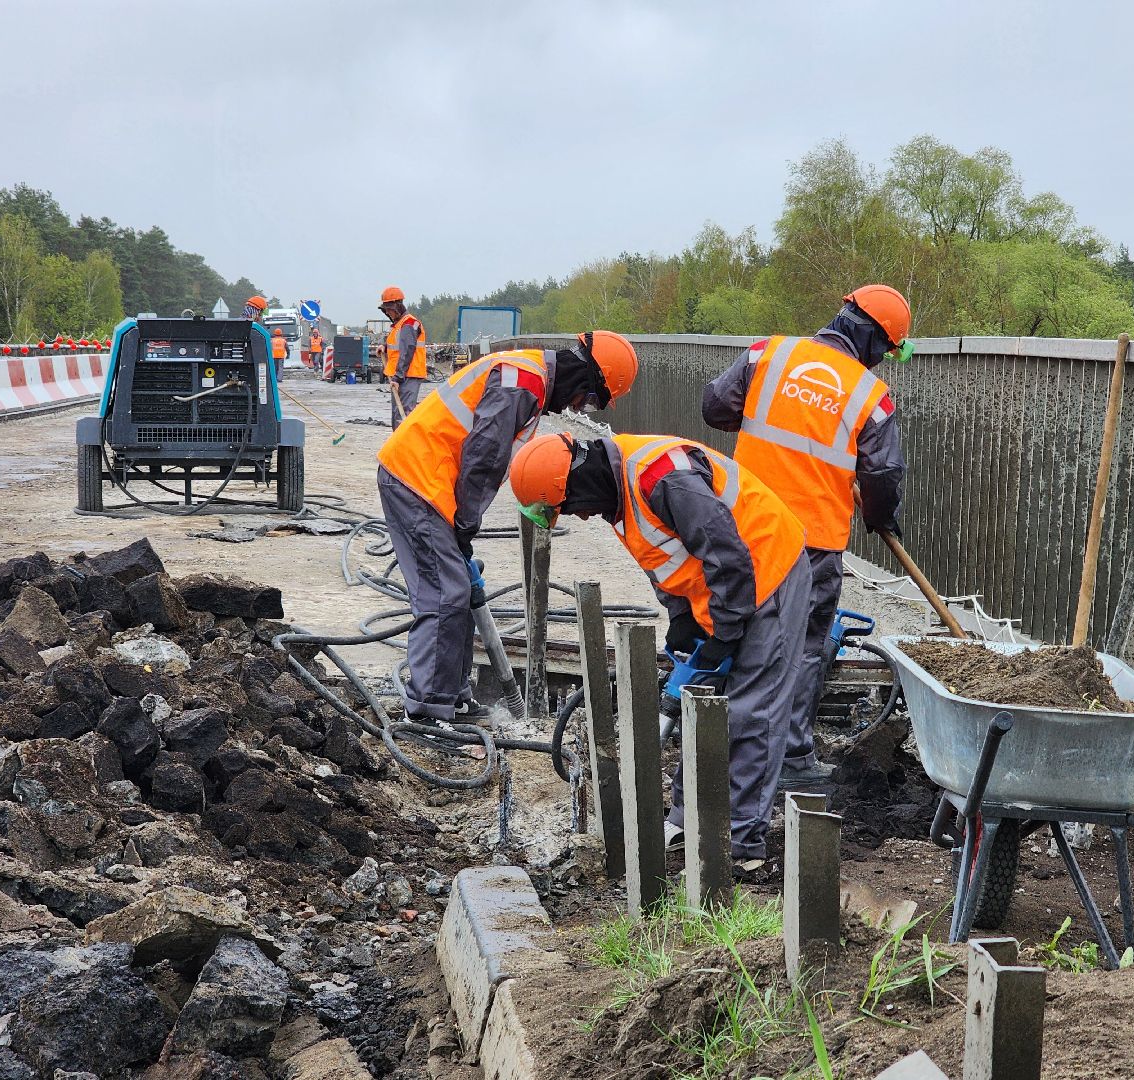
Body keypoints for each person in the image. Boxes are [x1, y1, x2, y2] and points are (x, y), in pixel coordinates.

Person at [509, 431, 812, 868]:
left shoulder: (663, 477)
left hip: (768, 572)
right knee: (700, 707)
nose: (581, 516)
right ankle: (688, 819)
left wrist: (725, 634)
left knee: (752, 710)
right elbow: (667, 562)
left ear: (575, 482)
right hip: (726, 591)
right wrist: (683, 618)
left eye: (570, 507)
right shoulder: (618, 499)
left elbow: (726, 552)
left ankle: (741, 845)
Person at [702, 284, 910, 788]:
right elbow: (883, 475)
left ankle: (715, 739)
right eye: (889, 350)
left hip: (744, 525)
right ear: (879, 341)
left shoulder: (767, 353)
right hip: (811, 541)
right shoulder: (871, 396)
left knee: (737, 626)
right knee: (805, 646)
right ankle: (790, 758)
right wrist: (880, 516)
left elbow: (715, 407)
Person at [375, 331, 640, 726]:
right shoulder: (522, 382)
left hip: (428, 482)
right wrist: (465, 521)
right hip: (419, 481)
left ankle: (452, 697)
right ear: (585, 377)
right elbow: (484, 454)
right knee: (444, 593)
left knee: (457, 589)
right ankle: (429, 711)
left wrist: (462, 523)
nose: (575, 407)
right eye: (586, 399)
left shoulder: (528, 377)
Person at [379, 286, 426, 426]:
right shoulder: (400, 325)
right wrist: (385, 348)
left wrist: (398, 378)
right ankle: (398, 446)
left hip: (407, 376)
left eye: (389, 309)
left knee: (403, 415)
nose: (387, 312)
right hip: (401, 376)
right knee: (397, 414)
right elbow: (399, 346)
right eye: (385, 310)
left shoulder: (409, 324)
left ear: (397, 306)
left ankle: (405, 447)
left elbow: (407, 351)